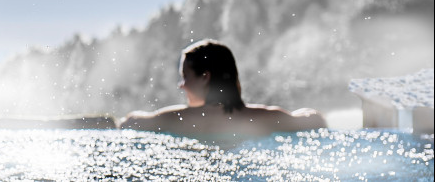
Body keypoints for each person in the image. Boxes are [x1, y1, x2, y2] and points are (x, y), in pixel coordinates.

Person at [119, 39, 326, 143]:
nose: (181, 85)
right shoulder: (260, 118)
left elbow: (128, 123)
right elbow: (316, 119)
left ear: (205, 77)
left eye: (185, 76)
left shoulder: (177, 120)